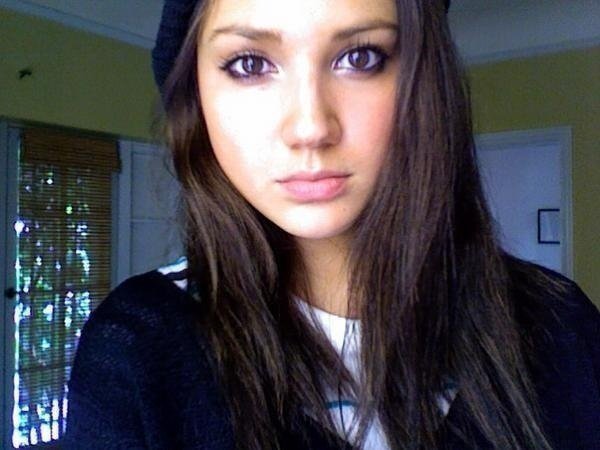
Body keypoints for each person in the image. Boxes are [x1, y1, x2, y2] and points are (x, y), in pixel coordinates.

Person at [63, 0, 600, 449]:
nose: (311, 128)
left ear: (424, 83)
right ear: (195, 97)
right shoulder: (136, 349)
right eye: (249, 64)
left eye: (360, 57)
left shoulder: (560, 325)